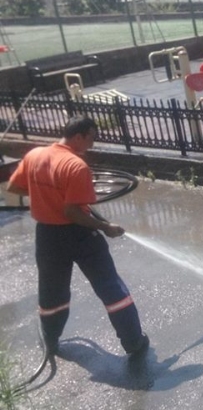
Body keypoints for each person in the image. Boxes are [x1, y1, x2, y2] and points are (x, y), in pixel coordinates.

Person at [7, 115, 149, 360]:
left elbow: (13, 187)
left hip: (47, 236)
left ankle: (50, 340)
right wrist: (105, 227)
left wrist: (44, 196)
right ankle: (134, 342)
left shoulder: (35, 156)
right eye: (91, 138)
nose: (92, 144)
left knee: (52, 292)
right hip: (80, 235)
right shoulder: (76, 166)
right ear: (77, 136)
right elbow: (72, 212)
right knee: (110, 287)